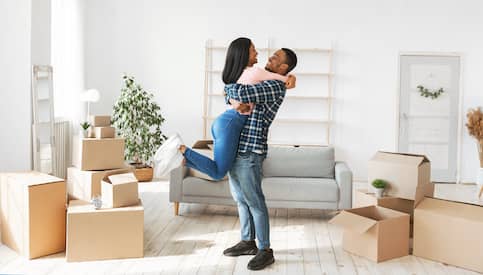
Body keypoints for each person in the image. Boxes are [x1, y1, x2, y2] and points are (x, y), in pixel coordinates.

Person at [153, 37, 295, 180]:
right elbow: (242, 92)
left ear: (283, 66)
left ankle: (181, 157)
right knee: (218, 172)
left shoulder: (246, 74)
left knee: (217, 171)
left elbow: (232, 93)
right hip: (231, 122)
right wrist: (289, 78)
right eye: (253, 50)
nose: (258, 53)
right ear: (244, 54)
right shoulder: (256, 73)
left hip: (227, 122)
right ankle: (179, 147)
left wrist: (233, 100)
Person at [222, 47, 297, 271]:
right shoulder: (266, 79)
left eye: (275, 58)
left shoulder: (274, 86)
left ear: (283, 68)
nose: (269, 58)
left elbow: (239, 93)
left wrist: (228, 87)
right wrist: (230, 93)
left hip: (251, 150)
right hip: (238, 148)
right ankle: (248, 242)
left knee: (254, 200)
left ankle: (265, 250)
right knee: (241, 199)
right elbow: (231, 94)